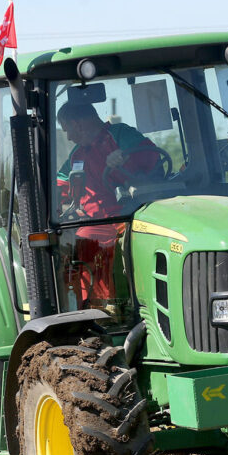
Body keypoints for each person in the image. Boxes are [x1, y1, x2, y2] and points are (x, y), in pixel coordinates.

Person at [55, 102, 160, 307]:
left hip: (130, 213)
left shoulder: (119, 134)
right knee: (74, 245)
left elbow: (150, 156)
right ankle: (94, 308)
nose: (68, 137)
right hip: (97, 222)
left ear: (78, 124)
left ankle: (109, 307)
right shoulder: (77, 155)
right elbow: (61, 184)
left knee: (88, 241)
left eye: (68, 130)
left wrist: (124, 155)